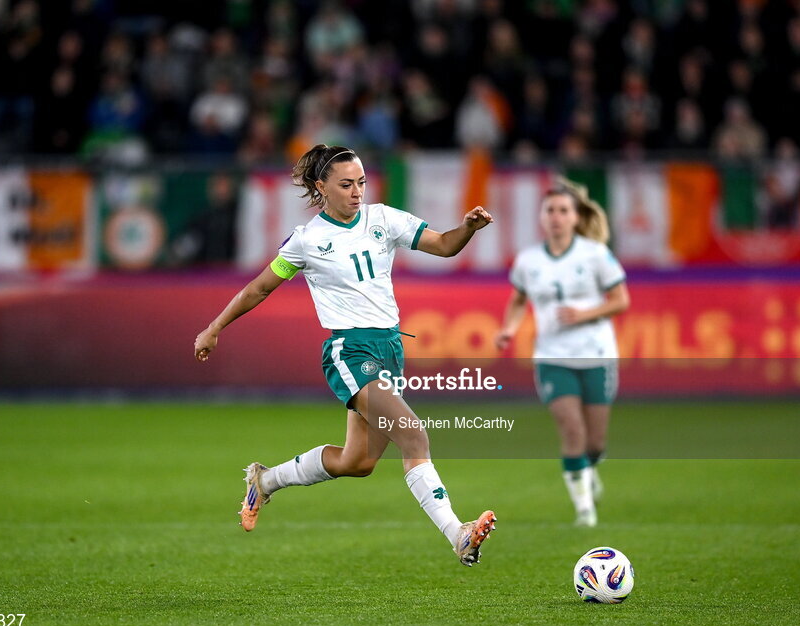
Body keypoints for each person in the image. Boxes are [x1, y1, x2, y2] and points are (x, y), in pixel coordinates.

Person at [193, 144, 498, 566]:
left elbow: (445, 246)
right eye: (346, 184)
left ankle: (264, 480)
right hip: (349, 351)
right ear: (321, 187)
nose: (357, 192)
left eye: (361, 182)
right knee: (413, 433)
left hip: (389, 349)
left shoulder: (383, 219)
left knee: (357, 462)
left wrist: (467, 227)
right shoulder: (307, 240)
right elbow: (258, 288)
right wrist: (214, 327)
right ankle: (457, 533)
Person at [495, 178, 629, 527]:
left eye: (563, 210)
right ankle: (585, 511)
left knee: (595, 442)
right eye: (550, 210)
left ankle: (589, 468)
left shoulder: (595, 254)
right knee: (572, 431)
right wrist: (509, 329)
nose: (556, 216)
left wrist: (582, 313)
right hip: (552, 358)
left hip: (596, 354)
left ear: (575, 216)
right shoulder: (528, 260)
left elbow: (621, 300)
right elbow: (518, 300)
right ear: (542, 217)